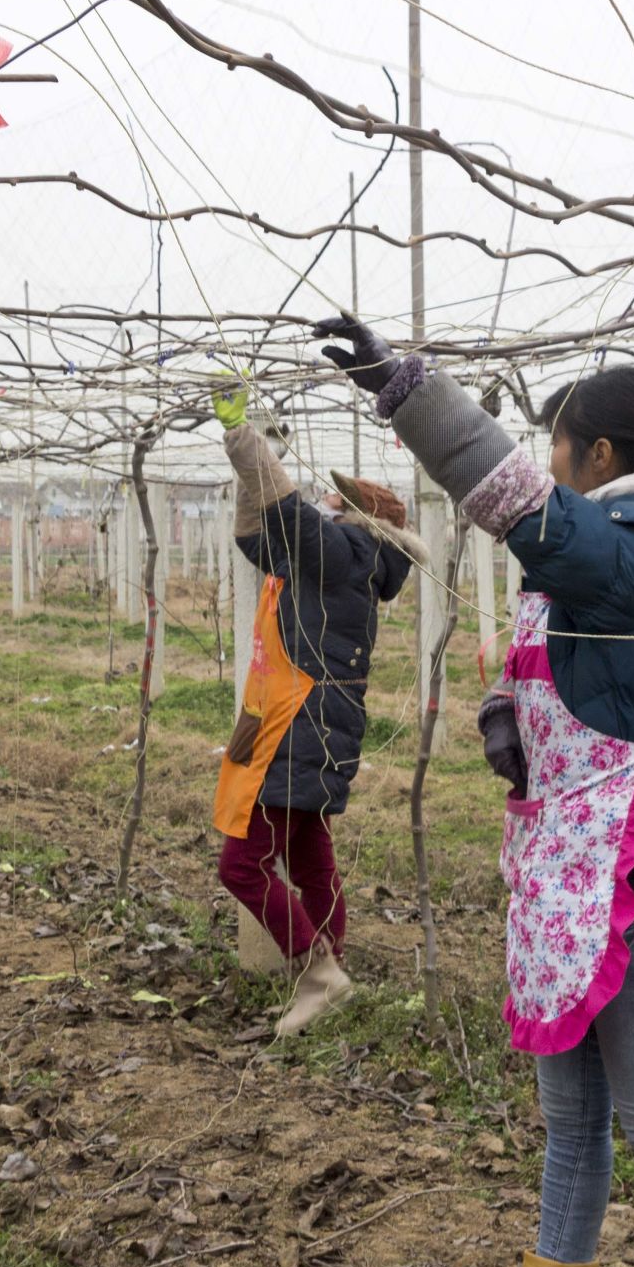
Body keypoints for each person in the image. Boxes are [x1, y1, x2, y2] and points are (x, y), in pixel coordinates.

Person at [316, 320, 634, 1267]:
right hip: (568, 868)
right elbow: (583, 666)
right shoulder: (630, 555)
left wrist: (406, 393)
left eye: (559, 447)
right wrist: (511, 712)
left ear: (596, 459)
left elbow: (501, 491)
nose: (550, 466)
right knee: (571, 1121)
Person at [210, 379, 423, 1037]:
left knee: (241, 865)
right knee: (307, 855)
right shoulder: (331, 559)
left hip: (297, 727)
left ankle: (319, 974)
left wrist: (241, 436)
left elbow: (284, 509)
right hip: (297, 725)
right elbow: (257, 531)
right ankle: (334, 971)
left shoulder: (342, 553)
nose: (324, 499)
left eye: (334, 496)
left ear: (357, 514)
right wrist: (253, 464)